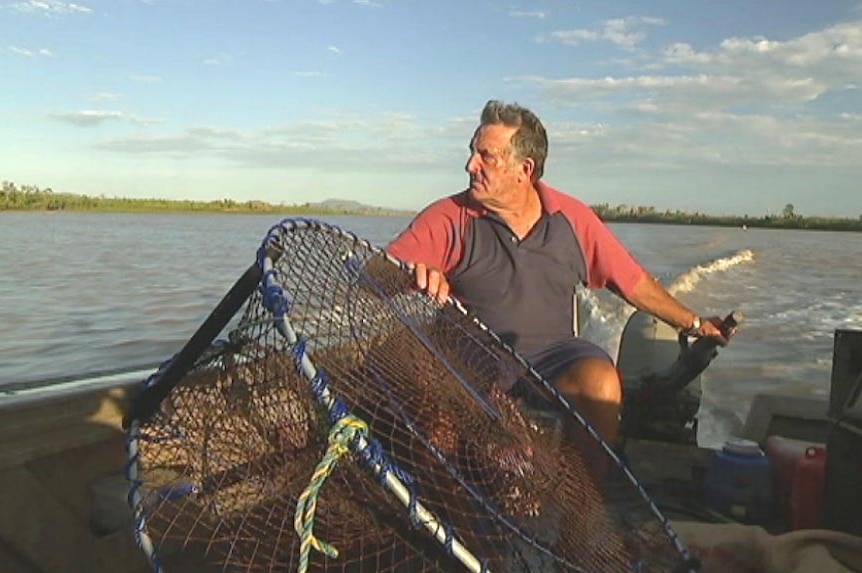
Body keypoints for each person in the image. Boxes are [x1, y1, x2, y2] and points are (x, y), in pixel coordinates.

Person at [386, 100, 729, 448]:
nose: (470, 165)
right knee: (432, 412)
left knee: (601, 382)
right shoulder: (450, 217)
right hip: (470, 358)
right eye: (473, 152)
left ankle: (587, 499)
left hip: (553, 357)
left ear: (525, 168)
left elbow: (634, 282)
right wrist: (410, 273)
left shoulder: (572, 218)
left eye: (486, 156)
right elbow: (373, 273)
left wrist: (695, 324)